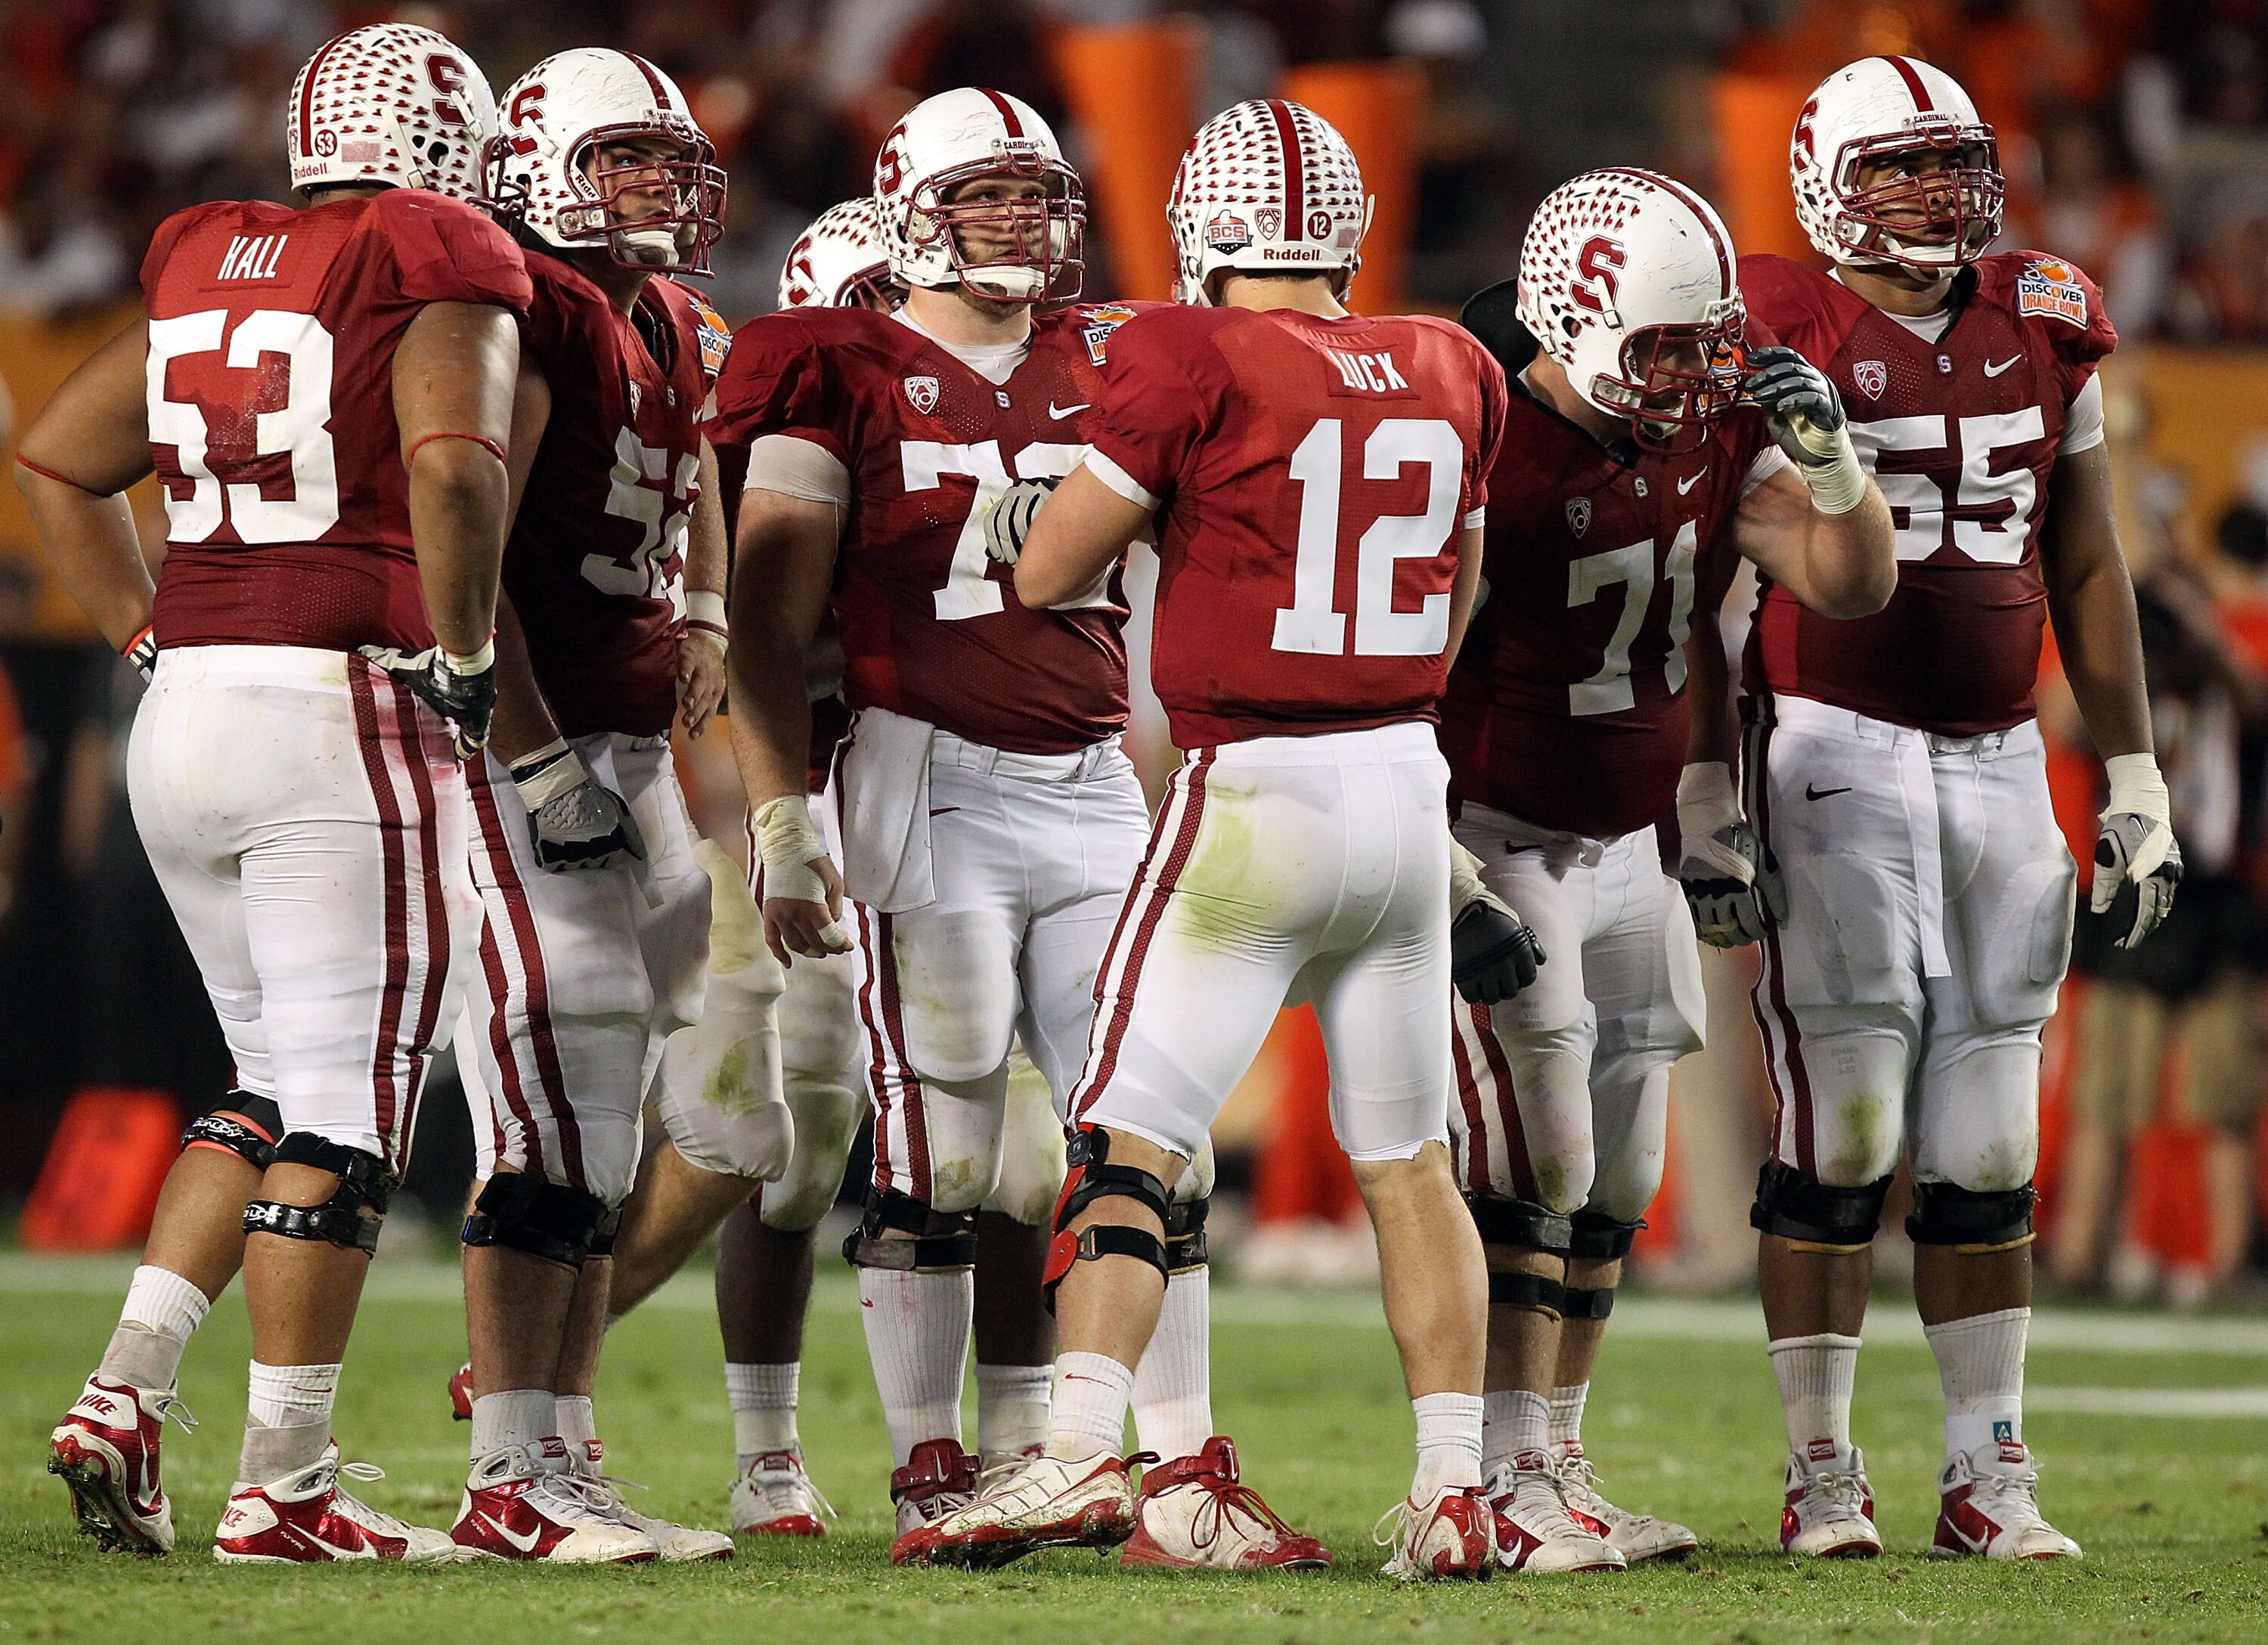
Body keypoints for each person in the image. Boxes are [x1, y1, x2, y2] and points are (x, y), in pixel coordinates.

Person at [902, 97, 1515, 1581]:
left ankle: (1073, 1451)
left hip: (1258, 790)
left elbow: (1052, 570)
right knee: (1411, 1160)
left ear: (1206, 225)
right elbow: (1461, 588)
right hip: (1403, 783)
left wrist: (1027, 516)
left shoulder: (1184, 353)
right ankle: (1453, 1489)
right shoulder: (1452, 362)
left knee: (1127, 1135)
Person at [710, 88, 1320, 1569]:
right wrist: (785, 815)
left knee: (1146, 1118)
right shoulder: (832, 360)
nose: (1020, 224)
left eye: (1036, 196)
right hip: (925, 775)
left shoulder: (1117, 350)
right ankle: (943, 1462)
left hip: (1094, 775)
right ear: (913, 202)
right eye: (984, 196)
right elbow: (767, 614)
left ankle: (1175, 1468)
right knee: (946, 1135)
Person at [23, 23, 524, 1562]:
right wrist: (464, 648)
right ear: (451, 143)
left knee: (265, 1082)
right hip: (337, 708)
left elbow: (53, 460)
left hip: (189, 706)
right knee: (352, 1110)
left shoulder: (206, 246)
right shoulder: (433, 243)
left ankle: (125, 1388)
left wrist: (146, 626)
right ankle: (286, 1483)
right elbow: (452, 462)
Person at [1722, 54, 2177, 1560]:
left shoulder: (2046, 313)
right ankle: (1821, 1465)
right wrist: (1705, 781)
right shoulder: (1773, 316)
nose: (1928, 191)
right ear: (1821, 182)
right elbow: (1707, 563)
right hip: (1833, 749)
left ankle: (1989, 1468)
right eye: (1893, 166)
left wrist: (2131, 769)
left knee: (1989, 1136)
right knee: (1842, 1125)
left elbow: (2089, 562)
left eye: (1948, 161)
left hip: (1994, 758)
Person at [1445, 167, 1895, 1573]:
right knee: (1544, 1160)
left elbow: (1851, 582)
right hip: (1494, 830)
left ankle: (1556, 1465)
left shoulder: (1703, 438)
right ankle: (1490, 1481)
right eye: (1664, 347)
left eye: (1709, 344)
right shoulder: (1481, 435)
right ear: (1570, 318)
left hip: (1628, 839)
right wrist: (1434, 863)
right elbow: (1403, 673)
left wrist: (1836, 469)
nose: (1697, 376)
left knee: (1623, 1175)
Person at [441, 46, 756, 1564]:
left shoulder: (670, 316)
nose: (658, 185)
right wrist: (539, 751)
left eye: (663, 160)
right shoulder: (527, 307)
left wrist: (702, 608)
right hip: (526, 750)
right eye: (625, 158)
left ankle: (558, 1455)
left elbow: (694, 479)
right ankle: (507, 1470)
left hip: (629, 747)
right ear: (539, 164)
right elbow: (469, 561)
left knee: (619, 1120)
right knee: (549, 1109)